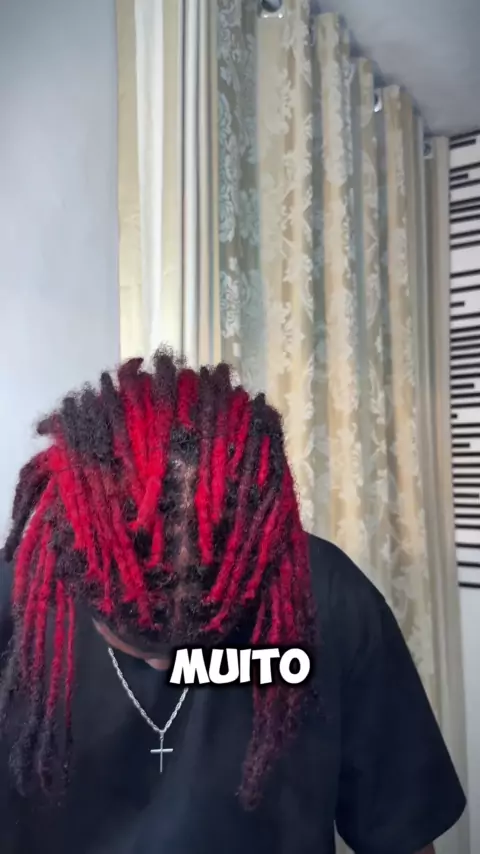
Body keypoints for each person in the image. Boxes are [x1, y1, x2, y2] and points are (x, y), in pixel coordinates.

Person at [0, 351, 466, 854]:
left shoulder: (333, 603)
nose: (166, 665)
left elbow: (401, 835)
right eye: (134, 640)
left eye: (198, 636)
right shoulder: (15, 607)